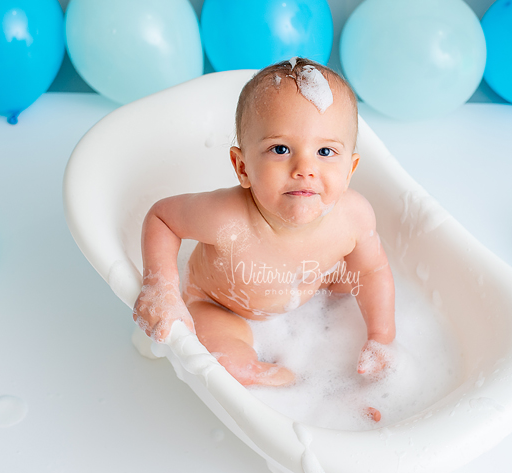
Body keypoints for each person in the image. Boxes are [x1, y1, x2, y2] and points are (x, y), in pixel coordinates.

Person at [133, 57, 395, 387]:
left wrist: (381, 337)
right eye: (281, 148)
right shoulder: (226, 218)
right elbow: (162, 218)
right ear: (242, 167)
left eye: (326, 152)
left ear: (350, 170)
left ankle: (348, 377)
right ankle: (290, 385)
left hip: (312, 289)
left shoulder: (353, 218)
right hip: (221, 305)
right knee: (228, 362)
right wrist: (162, 287)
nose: (305, 168)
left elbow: (372, 272)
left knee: (353, 278)